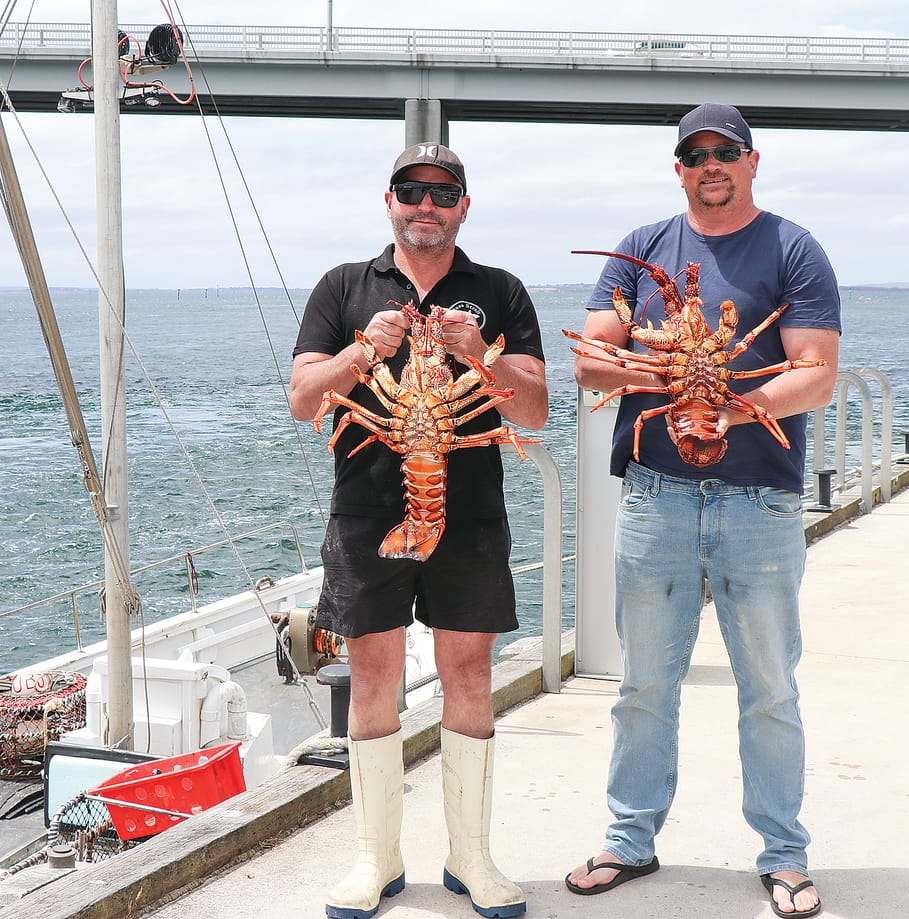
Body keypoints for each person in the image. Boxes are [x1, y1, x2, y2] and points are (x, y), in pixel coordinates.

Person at [565, 103, 841, 918]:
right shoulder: (642, 249)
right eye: (694, 154)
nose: (709, 163)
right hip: (657, 493)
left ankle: (784, 853)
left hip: (759, 497)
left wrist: (730, 401)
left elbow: (817, 371)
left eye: (725, 151)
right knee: (644, 681)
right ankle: (629, 837)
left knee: (770, 686)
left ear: (754, 161)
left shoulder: (793, 248)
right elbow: (590, 359)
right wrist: (677, 377)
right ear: (677, 167)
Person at [290, 142, 548, 919]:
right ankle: (377, 857)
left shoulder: (498, 292)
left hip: (465, 517)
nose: (426, 205)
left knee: (469, 674)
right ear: (390, 199)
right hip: (368, 515)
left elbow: (530, 412)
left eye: (443, 193)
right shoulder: (343, 286)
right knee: (372, 676)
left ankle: (470, 856)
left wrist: (480, 355)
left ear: (464, 206)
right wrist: (364, 348)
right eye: (412, 190)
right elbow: (305, 398)